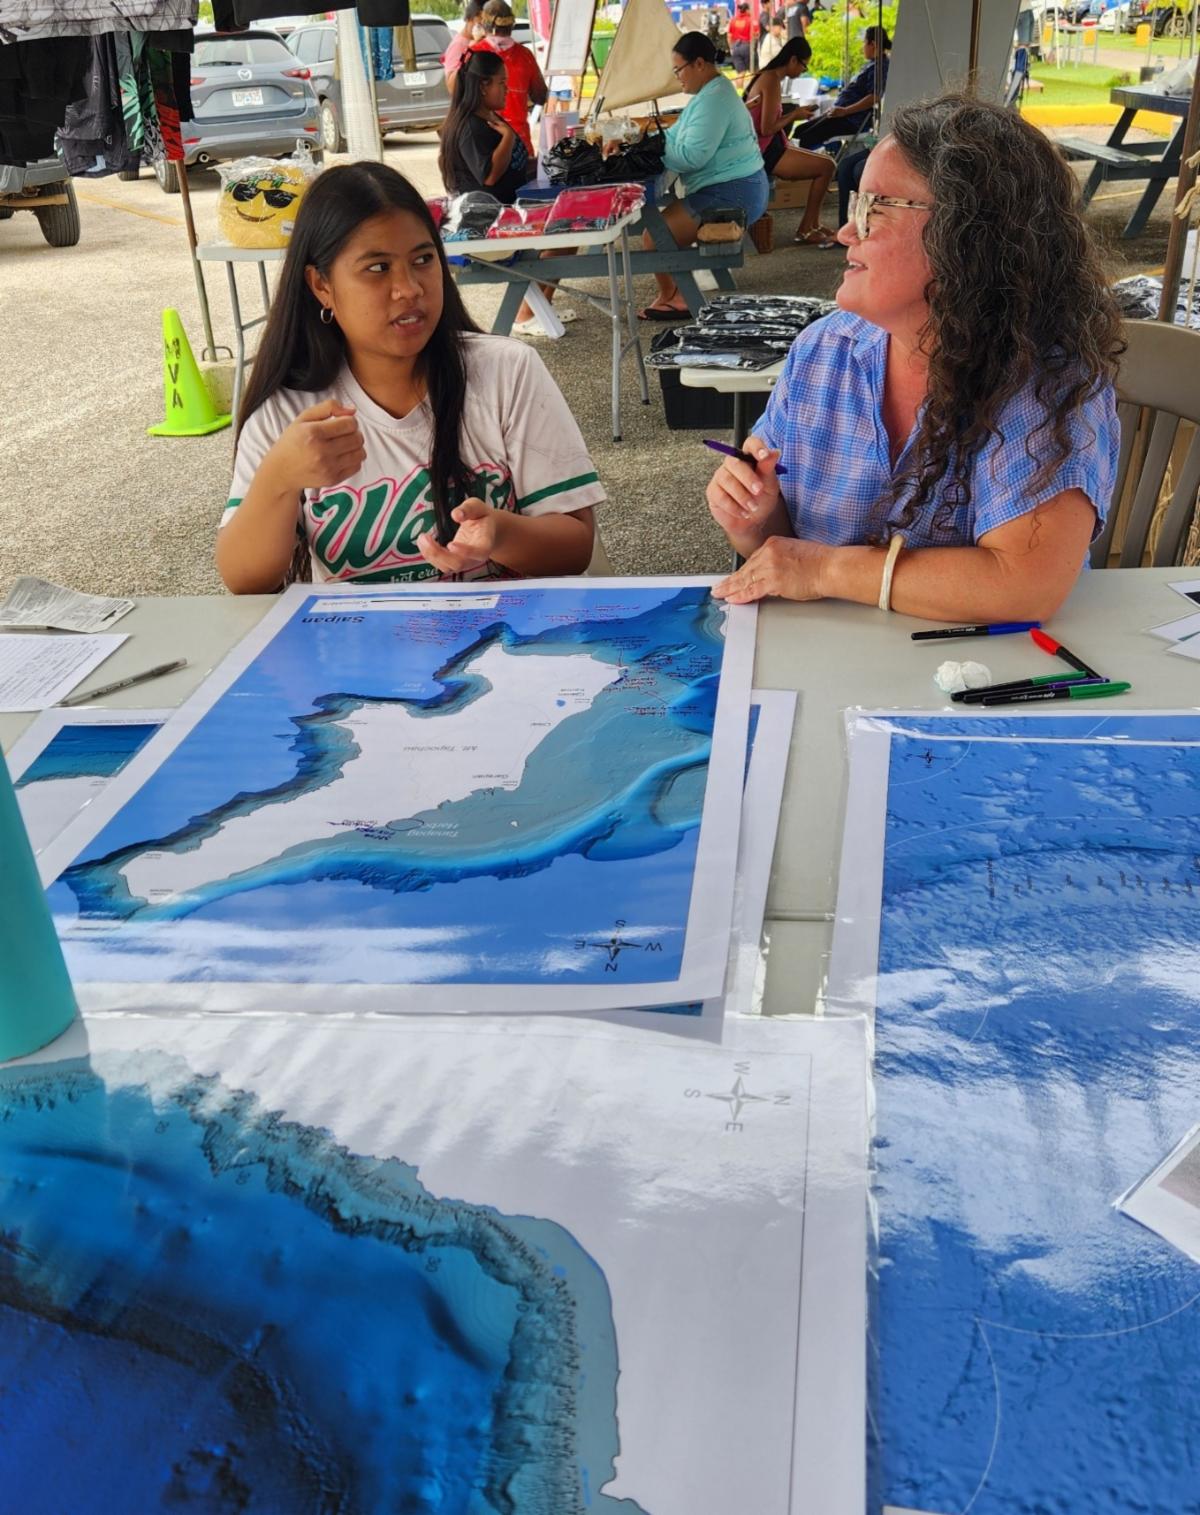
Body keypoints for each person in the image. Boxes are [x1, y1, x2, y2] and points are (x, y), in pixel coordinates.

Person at [707, 94, 1123, 623]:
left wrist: (826, 571)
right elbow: (784, 551)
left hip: (977, 679)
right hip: (833, 667)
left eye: (873, 209)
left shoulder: (1040, 380)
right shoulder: (823, 352)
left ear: (968, 236)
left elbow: (1022, 584)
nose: (844, 232)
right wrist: (754, 515)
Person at [216, 162, 600, 593]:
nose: (410, 289)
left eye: (422, 259)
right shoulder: (289, 414)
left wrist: (500, 534)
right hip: (362, 651)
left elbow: (575, 546)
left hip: (503, 643)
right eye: (377, 268)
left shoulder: (506, 372)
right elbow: (244, 581)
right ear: (321, 285)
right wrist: (278, 480)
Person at [640, 32, 769, 321]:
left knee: (654, 236)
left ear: (699, 64)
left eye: (679, 70)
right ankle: (673, 294)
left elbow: (691, 156)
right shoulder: (711, 93)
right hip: (734, 187)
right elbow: (674, 136)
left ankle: (674, 297)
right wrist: (652, 140)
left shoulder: (714, 99)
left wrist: (654, 147)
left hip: (734, 193)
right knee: (658, 230)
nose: (678, 77)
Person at [742, 36, 838, 246]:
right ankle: (806, 228)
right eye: (804, 65)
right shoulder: (771, 79)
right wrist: (795, 115)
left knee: (828, 165)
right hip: (765, 151)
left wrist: (795, 113)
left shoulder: (768, 77)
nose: (804, 70)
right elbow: (767, 128)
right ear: (793, 60)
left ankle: (812, 224)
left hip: (768, 146)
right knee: (827, 167)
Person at [439, 47, 529, 203]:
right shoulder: (470, 128)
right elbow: (489, 176)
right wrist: (508, 138)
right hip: (489, 218)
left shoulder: (492, 117)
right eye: (501, 83)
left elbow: (515, 163)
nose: (506, 89)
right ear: (483, 87)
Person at [792, 24, 889, 150]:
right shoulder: (871, 65)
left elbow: (874, 97)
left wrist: (845, 111)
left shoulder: (880, 67)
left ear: (873, 44)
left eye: (864, 42)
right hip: (841, 115)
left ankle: (808, 166)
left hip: (852, 120)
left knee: (807, 137)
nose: (862, 47)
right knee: (800, 130)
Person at [476, 0, 547, 157]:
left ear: (484, 24)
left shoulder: (474, 54)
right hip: (520, 143)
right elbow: (540, 95)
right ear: (511, 25)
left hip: (483, 144)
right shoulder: (525, 55)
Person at [442, 0, 486, 86]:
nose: (483, 30)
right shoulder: (458, 45)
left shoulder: (482, 41)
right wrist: (469, 51)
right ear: (468, 19)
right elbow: (452, 85)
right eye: (479, 25)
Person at [726, 0, 754, 85]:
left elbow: (729, 36)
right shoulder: (750, 20)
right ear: (747, 10)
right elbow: (754, 35)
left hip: (735, 47)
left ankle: (739, 93)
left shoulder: (733, 20)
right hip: (746, 46)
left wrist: (731, 47)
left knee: (740, 73)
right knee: (753, 71)